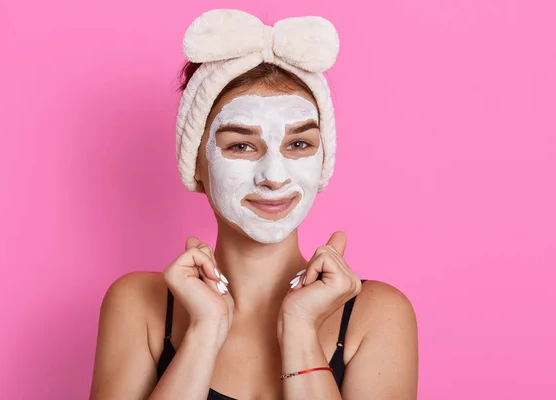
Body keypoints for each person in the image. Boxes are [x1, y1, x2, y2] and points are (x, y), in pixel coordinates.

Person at [89, 9, 418, 400]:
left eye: (299, 144)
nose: (273, 176)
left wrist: (298, 327)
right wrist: (204, 332)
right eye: (242, 145)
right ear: (196, 159)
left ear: (323, 157)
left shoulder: (376, 315)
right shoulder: (139, 305)